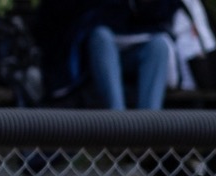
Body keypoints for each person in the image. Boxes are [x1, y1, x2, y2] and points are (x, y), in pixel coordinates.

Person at [39, 0, 180, 110]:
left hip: (133, 48)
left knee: (158, 46)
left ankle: (150, 125)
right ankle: (117, 121)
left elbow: (161, 16)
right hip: (89, 55)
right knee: (102, 36)